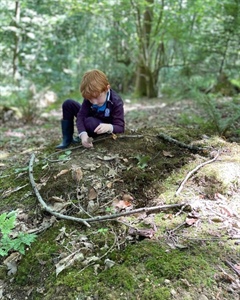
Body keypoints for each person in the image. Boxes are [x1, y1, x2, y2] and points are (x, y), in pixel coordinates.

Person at [56, 69, 125, 149]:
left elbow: (120, 127)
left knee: (90, 122)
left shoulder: (116, 101)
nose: (94, 102)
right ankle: (67, 139)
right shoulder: (90, 97)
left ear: (107, 89)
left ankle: (90, 134)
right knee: (68, 104)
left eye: (96, 97)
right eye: (90, 99)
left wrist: (109, 127)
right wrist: (82, 133)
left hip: (99, 126)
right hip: (90, 118)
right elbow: (80, 116)